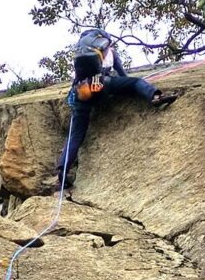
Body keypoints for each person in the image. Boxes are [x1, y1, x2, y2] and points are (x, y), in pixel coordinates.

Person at [55, 28, 177, 190]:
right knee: (135, 83)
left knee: (76, 134)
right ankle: (155, 97)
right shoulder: (108, 50)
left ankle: (63, 170)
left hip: (81, 90)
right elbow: (124, 77)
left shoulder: (80, 50)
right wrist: (124, 82)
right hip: (101, 84)